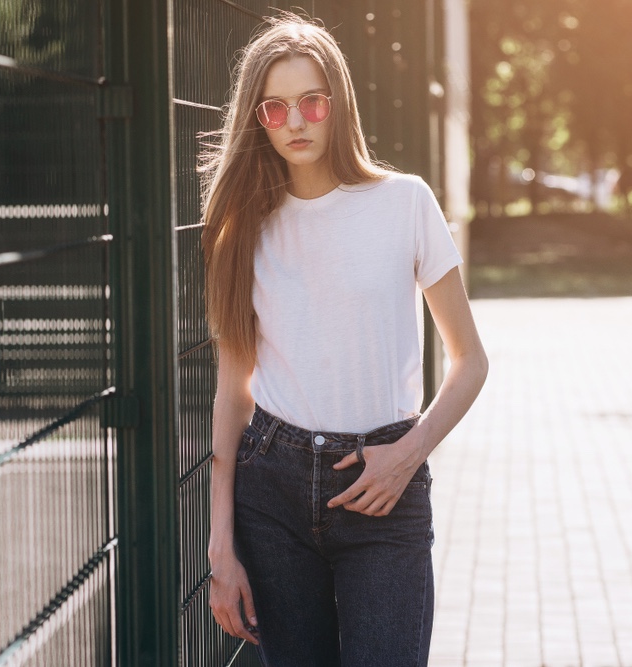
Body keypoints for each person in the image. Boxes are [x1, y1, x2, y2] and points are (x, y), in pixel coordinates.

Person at [200, 13, 488, 667]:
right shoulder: (242, 228)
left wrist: (408, 453)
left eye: (310, 102)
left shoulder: (405, 202)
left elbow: (471, 362)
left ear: (337, 105)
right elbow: (231, 391)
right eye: (275, 108)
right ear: (257, 119)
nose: (296, 122)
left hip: (386, 485)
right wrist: (221, 545)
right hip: (271, 490)